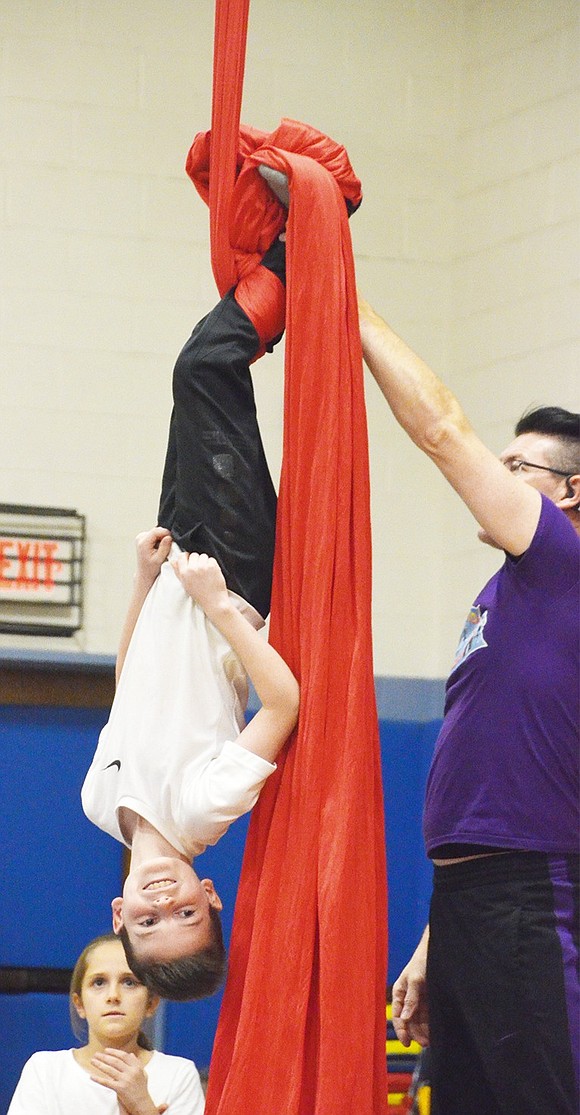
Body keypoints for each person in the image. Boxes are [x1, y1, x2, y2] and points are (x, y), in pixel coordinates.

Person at [358, 295, 579, 1115]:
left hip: (531, 892)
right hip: (467, 901)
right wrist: (433, 935)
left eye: (520, 465)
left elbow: (442, 431)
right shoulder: (508, 591)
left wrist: (348, 302)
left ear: (571, 491)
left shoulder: (564, 560)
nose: (500, 469)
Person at [82, 235, 299, 1002]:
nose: (162, 897)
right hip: (231, 573)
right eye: (185, 910)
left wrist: (143, 582)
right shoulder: (206, 810)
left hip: (176, 566)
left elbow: (127, 687)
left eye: (149, 918)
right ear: (212, 894)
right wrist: (216, 603)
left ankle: (273, 261)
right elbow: (282, 701)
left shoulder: (100, 803)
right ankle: (303, 243)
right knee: (205, 370)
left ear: (119, 913)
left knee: (192, 382)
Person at [7, 932, 206, 1114]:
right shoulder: (45, 1070)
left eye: (129, 982)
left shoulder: (178, 1075)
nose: (113, 996)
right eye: (99, 982)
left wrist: (144, 1109)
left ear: (151, 1003)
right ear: (80, 1004)